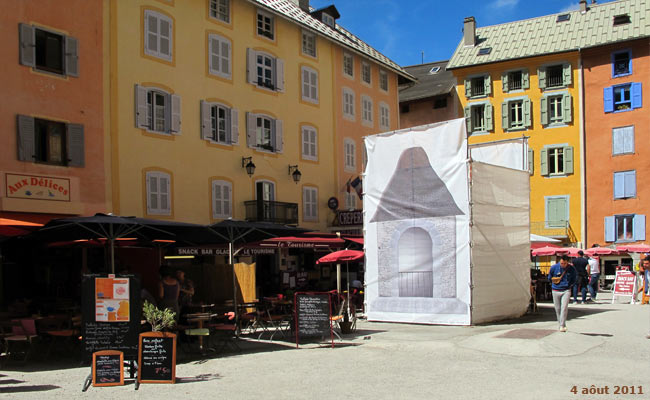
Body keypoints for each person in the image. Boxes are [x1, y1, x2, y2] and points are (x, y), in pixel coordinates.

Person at [548, 255, 577, 332]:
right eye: (562, 263)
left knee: (564, 308)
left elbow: (574, 279)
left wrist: (569, 285)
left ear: (567, 262)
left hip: (566, 290)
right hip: (555, 290)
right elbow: (549, 277)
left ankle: (562, 325)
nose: (563, 265)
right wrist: (553, 284)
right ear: (559, 261)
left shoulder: (571, 269)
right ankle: (560, 323)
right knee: (557, 309)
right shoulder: (554, 267)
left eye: (565, 263)